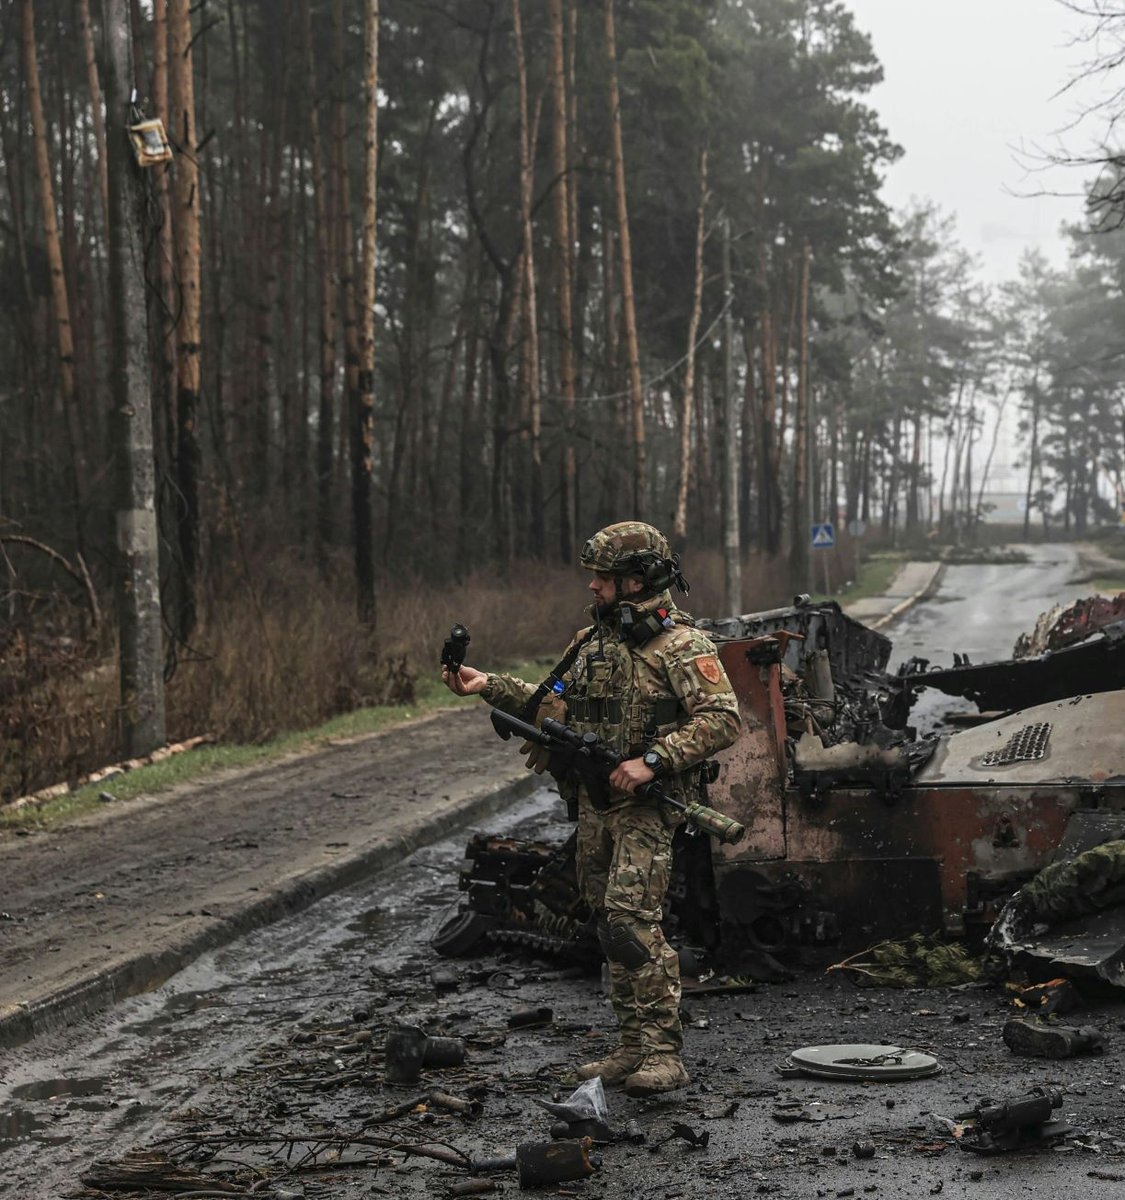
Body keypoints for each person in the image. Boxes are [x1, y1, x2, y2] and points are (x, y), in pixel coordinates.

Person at [442, 521, 741, 1097]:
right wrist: (487, 686)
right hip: (597, 804)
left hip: (647, 808)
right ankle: (630, 1045)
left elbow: (722, 719)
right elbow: (546, 701)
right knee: (606, 922)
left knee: (633, 923)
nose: (594, 587)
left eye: (603, 577)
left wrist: (653, 759)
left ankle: (663, 1053)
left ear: (636, 581)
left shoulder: (681, 645)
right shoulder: (592, 642)